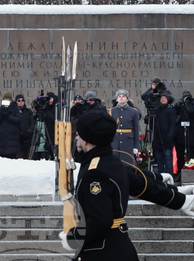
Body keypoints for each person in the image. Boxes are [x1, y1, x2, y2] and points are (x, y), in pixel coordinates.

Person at [60, 110, 141, 260]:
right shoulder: (109, 163)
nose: (76, 137)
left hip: (104, 251)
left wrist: (73, 237)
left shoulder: (94, 172)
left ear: (86, 140)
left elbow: (100, 220)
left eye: (79, 134)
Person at [173, 90, 194, 184]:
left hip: (190, 134)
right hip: (179, 134)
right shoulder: (180, 105)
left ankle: (191, 173)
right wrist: (178, 105)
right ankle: (180, 174)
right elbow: (173, 115)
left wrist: (191, 110)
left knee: (190, 155)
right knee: (180, 156)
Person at [111, 90, 142, 164]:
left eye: (123, 96)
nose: (121, 98)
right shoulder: (111, 111)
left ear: (127, 99)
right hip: (115, 141)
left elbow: (136, 129)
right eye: (119, 96)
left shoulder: (133, 112)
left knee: (128, 163)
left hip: (128, 142)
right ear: (116, 99)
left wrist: (136, 146)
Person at [0, 92, 23, 159]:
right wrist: (1, 116)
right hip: (1, 143)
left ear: (11, 101)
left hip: (12, 142)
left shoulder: (16, 109)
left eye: (8, 100)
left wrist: (8, 117)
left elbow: (19, 120)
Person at [152, 92, 177, 176]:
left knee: (167, 157)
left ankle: (168, 174)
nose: (163, 99)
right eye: (161, 98)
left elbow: (173, 124)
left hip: (167, 138)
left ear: (167, 100)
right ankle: (160, 175)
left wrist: (170, 135)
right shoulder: (157, 110)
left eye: (164, 98)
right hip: (157, 138)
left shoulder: (171, 110)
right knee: (159, 158)